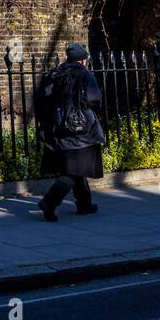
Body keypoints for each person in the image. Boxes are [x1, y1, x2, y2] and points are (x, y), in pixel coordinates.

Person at [33, 42, 104, 221]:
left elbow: (41, 101)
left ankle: (84, 204)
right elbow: (95, 99)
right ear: (83, 60)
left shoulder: (55, 74)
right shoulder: (84, 74)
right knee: (73, 172)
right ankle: (49, 202)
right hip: (82, 132)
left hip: (59, 130)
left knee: (75, 167)